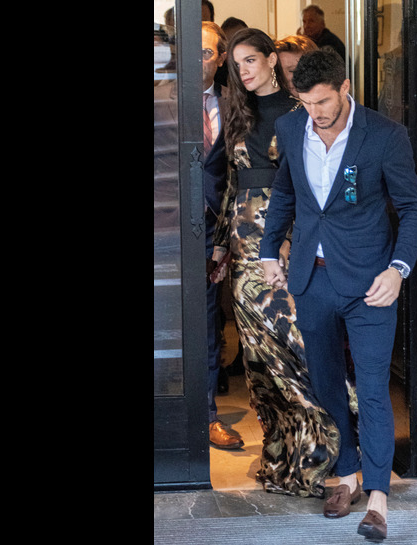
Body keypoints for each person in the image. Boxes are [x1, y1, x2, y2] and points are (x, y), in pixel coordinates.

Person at [260, 49, 417, 542]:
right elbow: (285, 192)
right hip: (312, 279)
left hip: (371, 282)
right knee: (327, 382)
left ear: (345, 87)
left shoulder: (385, 135)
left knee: (373, 387)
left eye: (324, 101)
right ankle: (348, 473)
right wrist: (270, 251)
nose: (315, 112)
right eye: (306, 103)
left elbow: (413, 207)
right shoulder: (292, 127)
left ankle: (377, 500)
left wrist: (398, 270)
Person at [206, 28, 341, 498]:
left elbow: (315, 184)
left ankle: (326, 454)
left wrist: (295, 240)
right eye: (236, 63)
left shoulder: (300, 111)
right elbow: (230, 184)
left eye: (250, 60)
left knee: (299, 350)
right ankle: (283, 455)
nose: (243, 70)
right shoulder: (237, 112)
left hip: (288, 242)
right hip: (245, 249)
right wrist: (220, 246)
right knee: (260, 361)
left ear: (270, 60)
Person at [199, 22, 243, 451]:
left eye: (207, 54)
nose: (198, 61)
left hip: (214, 227)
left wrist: (227, 235)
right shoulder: (159, 99)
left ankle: (208, 416)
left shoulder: (235, 104)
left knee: (209, 323)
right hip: (166, 227)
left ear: (221, 58)